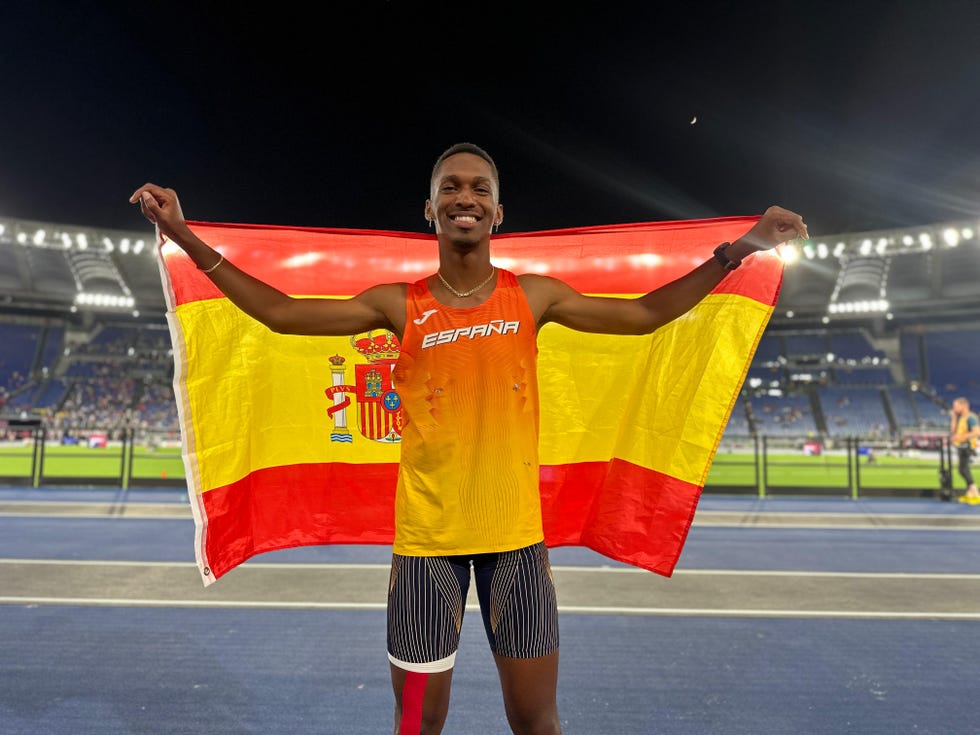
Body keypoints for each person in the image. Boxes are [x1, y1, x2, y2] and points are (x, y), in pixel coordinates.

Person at [131, 142, 807, 735]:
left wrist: (740, 249)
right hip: (427, 557)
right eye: (450, 188)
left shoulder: (533, 296)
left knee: (536, 721)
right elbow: (279, 314)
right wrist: (185, 237)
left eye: (479, 188)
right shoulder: (398, 303)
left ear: (497, 212)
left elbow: (646, 315)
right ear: (429, 210)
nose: (465, 197)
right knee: (416, 722)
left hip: (517, 551)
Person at [949, 397, 980, 505]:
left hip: (968, 446)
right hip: (962, 446)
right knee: (963, 469)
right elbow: (953, 431)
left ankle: (975, 492)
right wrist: (953, 417)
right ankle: (970, 494)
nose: (954, 408)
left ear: (963, 406)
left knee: (963, 470)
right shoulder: (961, 417)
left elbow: (977, 432)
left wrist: (961, 437)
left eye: (956, 406)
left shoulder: (971, 417)